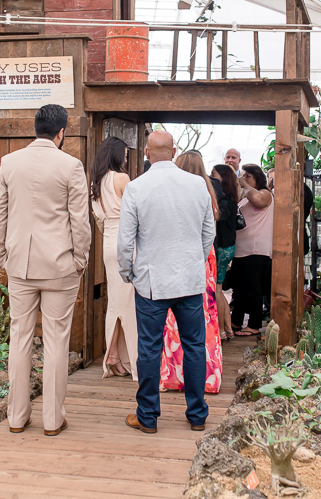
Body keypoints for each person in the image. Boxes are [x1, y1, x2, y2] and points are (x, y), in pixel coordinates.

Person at [0, 104, 91, 437]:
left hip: (19, 264)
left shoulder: (9, 162)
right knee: (56, 342)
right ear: (62, 132)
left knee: (18, 338)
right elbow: (79, 220)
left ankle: (17, 417)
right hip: (60, 265)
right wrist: (80, 259)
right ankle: (52, 419)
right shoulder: (71, 166)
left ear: (36, 129)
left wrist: (3, 255)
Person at [118, 131, 215, 435]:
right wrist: (194, 260)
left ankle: (147, 416)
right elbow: (208, 232)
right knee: (195, 347)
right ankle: (197, 414)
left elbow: (124, 241)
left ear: (146, 152)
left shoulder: (136, 187)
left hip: (151, 281)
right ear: (174, 151)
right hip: (188, 279)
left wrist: (127, 272)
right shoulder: (197, 184)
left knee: (148, 348)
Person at [160, 151, 223, 394]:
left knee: (173, 317)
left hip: (180, 255)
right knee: (204, 316)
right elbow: (211, 231)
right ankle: (208, 376)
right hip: (205, 256)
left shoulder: (173, 192)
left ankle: (175, 375)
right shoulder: (207, 192)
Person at [89, 136, 137, 380]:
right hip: (125, 242)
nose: (127, 158)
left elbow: (99, 219)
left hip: (108, 241)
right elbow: (133, 213)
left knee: (116, 303)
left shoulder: (96, 182)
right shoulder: (122, 178)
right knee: (127, 304)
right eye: (125, 154)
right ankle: (119, 357)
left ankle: (115, 355)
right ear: (117, 155)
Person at [229, 164, 273, 337]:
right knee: (239, 289)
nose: (244, 178)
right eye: (244, 176)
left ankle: (254, 324)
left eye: (248, 176)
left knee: (254, 289)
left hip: (256, 250)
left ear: (257, 177)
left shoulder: (265, 194)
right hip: (241, 250)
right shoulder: (246, 195)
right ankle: (236, 321)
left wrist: (244, 185)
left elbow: (258, 200)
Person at [210, 164, 238, 340]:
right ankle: (227, 328)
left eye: (214, 174)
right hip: (229, 247)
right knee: (219, 288)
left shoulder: (223, 202)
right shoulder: (231, 199)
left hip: (221, 248)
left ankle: (220, 330)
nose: (211, 177)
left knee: (217, 290)